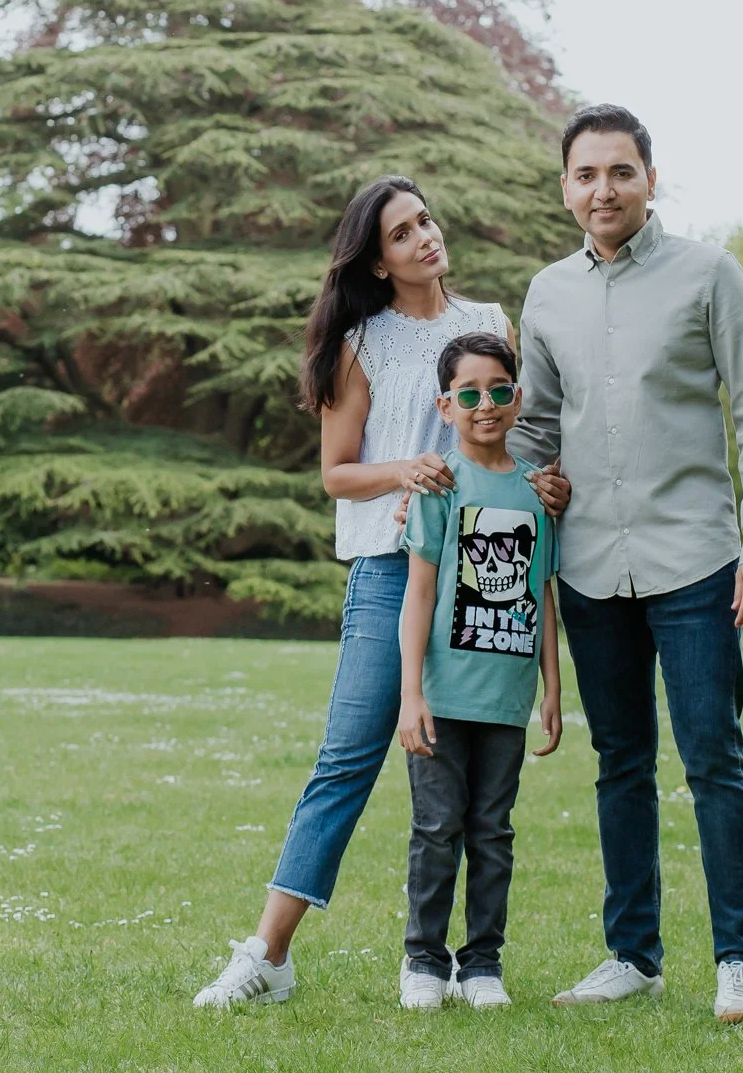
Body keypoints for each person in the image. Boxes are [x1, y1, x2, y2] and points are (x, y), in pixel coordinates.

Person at [193, 176, 568, 1008]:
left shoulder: (491, 322)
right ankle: (267, 953)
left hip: (483, 574)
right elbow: (336, 472)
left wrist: (549, 486)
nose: (425, 237)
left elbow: (521, 434)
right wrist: (410, 468)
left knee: (479, 795)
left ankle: (463, 963)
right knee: (348, 760)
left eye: (426, 219)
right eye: (403, 233)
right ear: (377, 257)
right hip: (389, 571)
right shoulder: (360, 344)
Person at [510, 104, 743, 1024]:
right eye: (586, 175)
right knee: (619, 758)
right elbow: (536, 428)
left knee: (714, 755)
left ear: (650, 178)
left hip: (699, 558)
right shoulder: (545, 294)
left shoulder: (709, 274)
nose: (603, 190)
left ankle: (739, 957)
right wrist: (527, 487)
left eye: (620, 172)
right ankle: (633, 953)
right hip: (591, 565)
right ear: (565, 188)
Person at [393, 331, 563, 1011]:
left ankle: (482, 963)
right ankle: (424, 962)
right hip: (440, 695)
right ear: (446, 404)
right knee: (437, 828)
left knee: (493, 831)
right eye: (469, 393)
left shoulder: (536, 493)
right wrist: (410, 693)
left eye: (498, 390)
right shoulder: (439, 485)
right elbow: (420, 593)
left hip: (507, 700)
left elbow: (542, 594)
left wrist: (553, 687)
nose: (485, 404)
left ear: (517, 398)